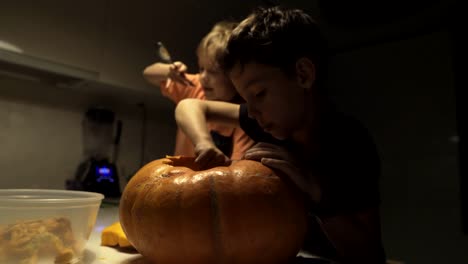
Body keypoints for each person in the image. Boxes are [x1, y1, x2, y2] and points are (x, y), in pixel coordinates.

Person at [174, 6, 386, 264]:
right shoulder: (263, 119)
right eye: (245, 97)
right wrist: (204, 142)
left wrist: (315, 193)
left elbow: (371, 255)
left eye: (259, 94)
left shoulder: (349, 143)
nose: (251, 110)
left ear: (303, 75)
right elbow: (190, 106)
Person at [143, 21, 254, 161]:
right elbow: (148, 74)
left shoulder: (244, 113)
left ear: (234, 76)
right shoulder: (194, 86)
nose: (203, 77)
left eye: (213, 72)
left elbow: (237, 166)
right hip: (179, 177)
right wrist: (169, 71)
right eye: (201, 68)